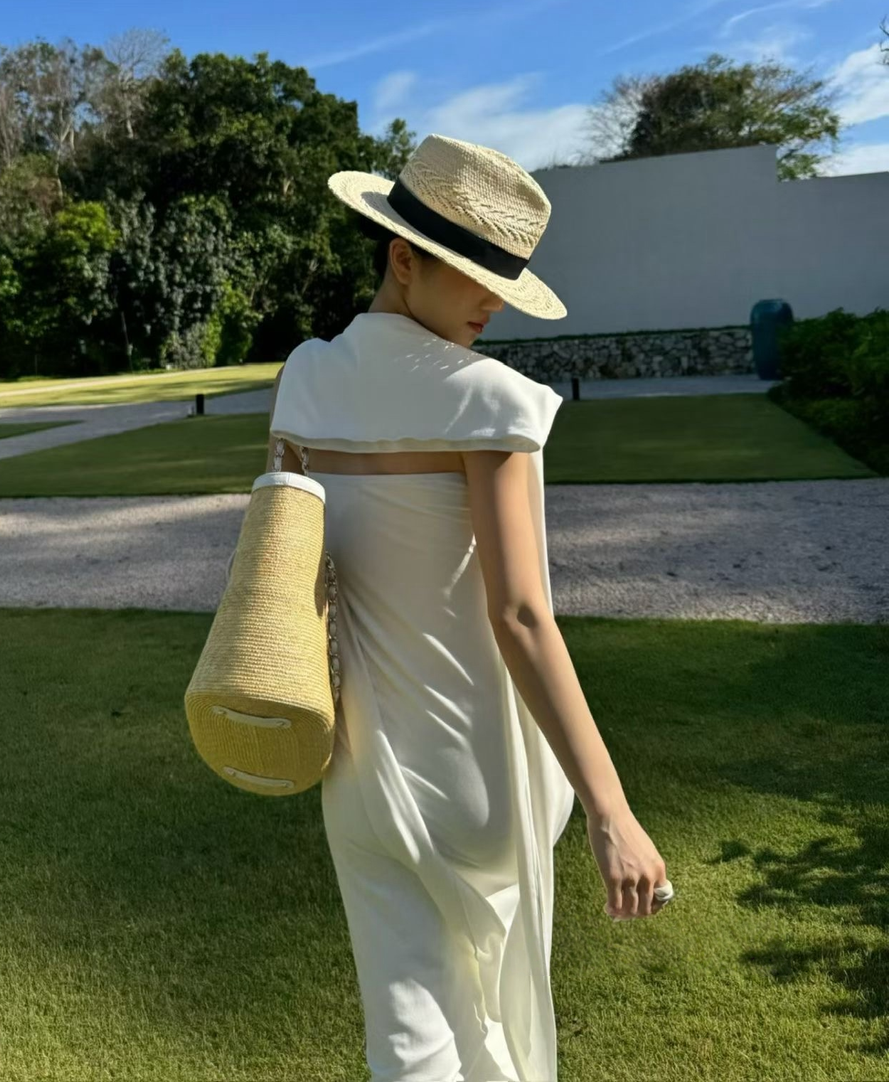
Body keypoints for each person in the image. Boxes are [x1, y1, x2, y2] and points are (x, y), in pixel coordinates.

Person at [267, 134, 671, 1082]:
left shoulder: (303, 377)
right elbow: (521, 616)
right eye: (477, 276)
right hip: (475, 769)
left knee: (407, 1043)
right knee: (491, 1031)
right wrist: (612, 812)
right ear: (403, 258)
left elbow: (287, 570)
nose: (494, 301)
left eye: (506, 280)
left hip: (355, 765)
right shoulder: (491, 400)